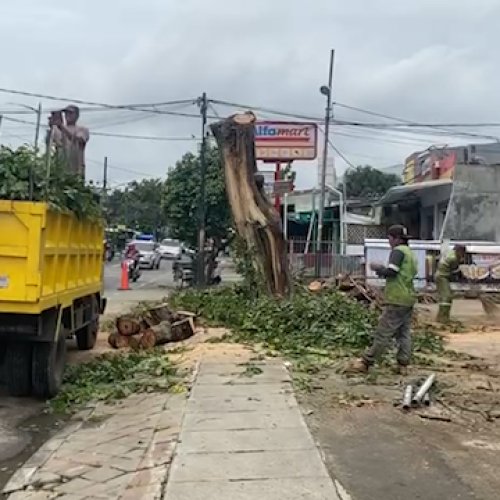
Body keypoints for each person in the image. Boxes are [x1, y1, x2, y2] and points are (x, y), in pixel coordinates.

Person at [347, 225, 418, 375]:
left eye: (389, 239)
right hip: (408, 297)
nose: (389, 242)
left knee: (383, 332)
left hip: (396, 298)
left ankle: (366, 361)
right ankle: (403, 364)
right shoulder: (410, 253)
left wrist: (378, 269)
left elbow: (392, 271)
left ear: (395, 238)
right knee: (404, 333)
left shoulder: (398, 252)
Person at [47, 105, 89, 178]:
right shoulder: (57, 130)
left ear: (77, 115)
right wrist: (51, 128)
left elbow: (78, 139)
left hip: (76, 171)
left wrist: (61, 127)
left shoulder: (82, 130)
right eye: (66, 113)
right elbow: (49, 144)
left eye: (70, 113)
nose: (67, 115)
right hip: (60, 170)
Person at [435, 244, 466, 323]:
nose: (463, 255)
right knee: (446, 297)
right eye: (462, 253)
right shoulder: (453, 258)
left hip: (441, 275)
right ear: (459, 251)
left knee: (445, 297)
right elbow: (455, 271)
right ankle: (443, 318)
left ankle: (442, 316)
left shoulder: (449, 253)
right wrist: (463, 278)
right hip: (442, 277)